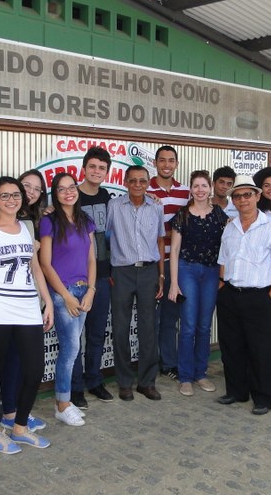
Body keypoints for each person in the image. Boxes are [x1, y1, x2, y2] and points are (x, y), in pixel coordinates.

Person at [0, 177, 54, 454]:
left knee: (34, 370)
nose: (11, 200)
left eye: (15, 195)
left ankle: (19, 427)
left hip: (28, 309)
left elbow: (36, 269)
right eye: (4, 195)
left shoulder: (25, 229)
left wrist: (48, 303)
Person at [216, 176, 271, 415]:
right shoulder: (230, 226)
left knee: (261, 349)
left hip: (259, 296)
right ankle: (237, 391)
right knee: (232, 347)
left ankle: (264, 398)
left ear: (258, 196)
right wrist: (222, 288)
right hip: (231, 294)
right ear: (233, 200)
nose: (242, 200)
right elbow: (223, 260)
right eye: (237, 196)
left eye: (247, 194)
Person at [40, 173, 96, 426]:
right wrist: (64, 295)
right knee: (71, 348)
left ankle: (66, 401)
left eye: (71, 187)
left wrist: (92, 290)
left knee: (74, 347)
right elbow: (45, 263)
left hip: (84, 291)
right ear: (55, 193)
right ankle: (62, 404)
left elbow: (91, 258)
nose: (68, 192)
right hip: (63, 293)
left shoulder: (86, 220)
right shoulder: (49, 222)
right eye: (61, 189)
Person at [0, 169, 49, 433]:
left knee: (22, 360)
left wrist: (44, 300)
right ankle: (9, 412)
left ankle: (17, 410)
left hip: (29, 298)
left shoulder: (34, 219)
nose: (30, 191)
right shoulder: (6, 221)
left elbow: (37, 267)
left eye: (36, 188)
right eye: (25, 186)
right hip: (6, 302)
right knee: (11, 360)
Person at [168, 170, 228, 396]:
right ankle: (185, 376)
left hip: (211, 273)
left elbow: (229, 245)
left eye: (204, 186)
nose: (200, 190)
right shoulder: (182, 215)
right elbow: (174, 250)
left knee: (204, 325)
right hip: (187, 270)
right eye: (196, 186)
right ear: (191, 189)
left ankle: (200, 373)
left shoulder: (220, 214)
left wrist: (224, 276)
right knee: (189, 325)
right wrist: (174, 283)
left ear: (210, 188)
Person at [108, 165, 165, 401]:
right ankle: (124, 382)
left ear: (148, 182)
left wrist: (161, 275)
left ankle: (146, 382)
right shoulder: (114, 206)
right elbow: (105, 236)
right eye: (133, 181)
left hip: (149, 272)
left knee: (148, 329)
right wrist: (108, 269)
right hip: (122, 272)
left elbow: (161, 240)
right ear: (125, 182)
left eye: (142, 181)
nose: (138, 185)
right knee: (120, 329)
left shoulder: (156, 207)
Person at [72, 147, 115, 406]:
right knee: (75, 337)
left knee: (97, 333)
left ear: (106, 172)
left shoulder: (107, 197)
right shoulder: (70, 195)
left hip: (101, 276)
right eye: (93, 167)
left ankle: (94, 381)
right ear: (84, 168)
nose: (97, 171)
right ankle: (75, 387)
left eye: (102, 168)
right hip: (75, 278)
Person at [146, 145, 189, 381]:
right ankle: (150, 364)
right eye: (162, 160)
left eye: (171, 160)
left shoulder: (186, 192)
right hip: (152, 263)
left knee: (171, 317)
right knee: (150, 318)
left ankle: (169, 363)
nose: (166, 165)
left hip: (175, 264)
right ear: (155, 163)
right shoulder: (145, 190)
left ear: (176, 164)